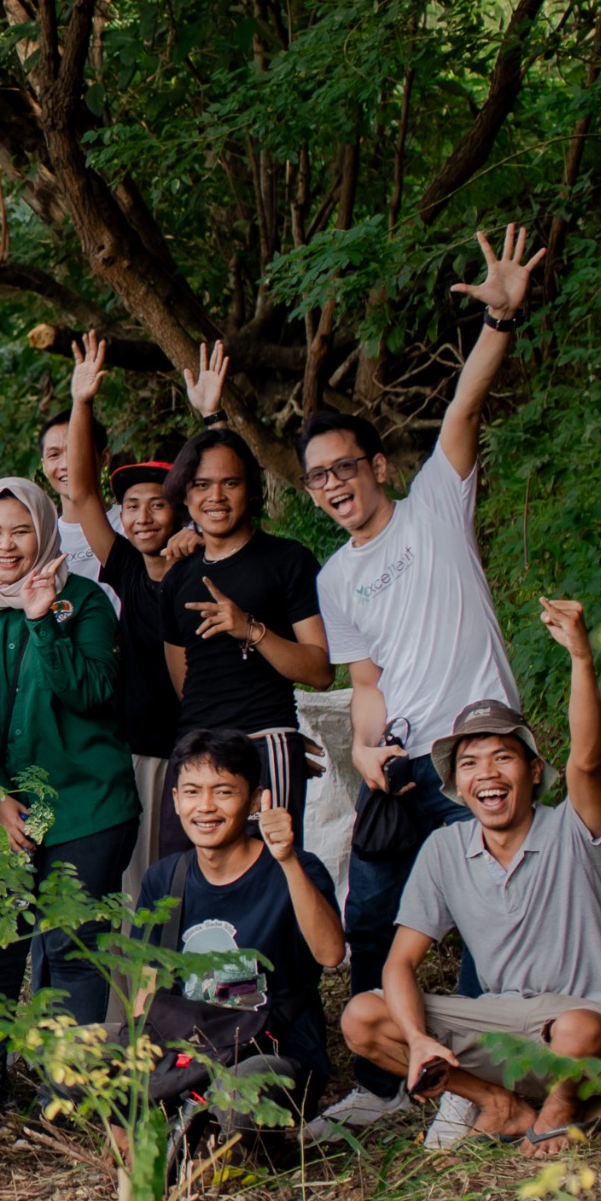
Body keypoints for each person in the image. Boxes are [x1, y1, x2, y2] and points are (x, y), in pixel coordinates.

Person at [305, 227, 542, 1138]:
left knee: (487, 921)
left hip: (476, 750)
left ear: (380, 467)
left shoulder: (439, 503)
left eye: (345, 469)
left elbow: (461, 409)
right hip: (402, 767)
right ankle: (382, 1082)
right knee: (373, 917)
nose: (333, 486)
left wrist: (501, 316)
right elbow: (367, 675)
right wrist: (365, 749)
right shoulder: (336, 575)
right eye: (318, 477)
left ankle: (476, 1089)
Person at [340, 602, 601, 1157]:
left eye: (503, 757)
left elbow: (587, 763)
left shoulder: (572, 830)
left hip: (591, 1017)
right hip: (504, 1021)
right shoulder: (445, 847)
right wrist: (418, 1039)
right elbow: (400, 961)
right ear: (457, 782)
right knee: (364, 1015)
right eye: (472, 762)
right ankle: (499, 1103)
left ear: (532, 772)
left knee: (577, 1028)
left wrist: (580, 654)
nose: (488, 774)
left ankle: (559, 1109)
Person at [0, 478, 137, 1114]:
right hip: (1, 806)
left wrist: (43, 620)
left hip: (83, 804)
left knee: (72, 947)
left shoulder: (87, 603)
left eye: (21, 530)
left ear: (44, 532)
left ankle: (67, 1095)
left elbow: (94, 693)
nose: (6, 545)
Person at [156, 352, 332, 851]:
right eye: (201, 486)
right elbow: (183, 682)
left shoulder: (287, 560)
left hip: (264, 742)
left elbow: (321, 670)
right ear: (186, 497)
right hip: (192, 750)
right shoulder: (180, 575)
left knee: (267, 880)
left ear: (250, 491)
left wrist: (250, 629)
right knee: (182, 885)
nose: (216, 496)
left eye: (230, 484)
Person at [136, 731, 345, 1125]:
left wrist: (286, 860)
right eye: (193, 792)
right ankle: (182, 1113)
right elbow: (146, 994)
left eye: (224, 792)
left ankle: (215, 1127)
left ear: (254, 800)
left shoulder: (295, 868)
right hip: (189, 1048)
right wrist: (131, 1092)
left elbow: (331, 954)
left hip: (271, 1052)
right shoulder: (164, 879)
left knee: (238, 1094)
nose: (206, 807)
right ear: (176, 799)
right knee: (72, 1050)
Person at [61, 334, 192, 898]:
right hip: (137, 750)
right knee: (143, 888)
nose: (140, 517)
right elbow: (84, 492)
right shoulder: (126, 569)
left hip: (196, 747)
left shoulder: (203, 570)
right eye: (131, 506)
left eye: (157, 503)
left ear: (181, 510)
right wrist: (82, 403)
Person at [35, 408, 104, 585]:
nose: (66, 464)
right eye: (54, 455)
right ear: (44, 465)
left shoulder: (135, 524)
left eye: (77, 451)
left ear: (105, 457)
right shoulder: (39, 538)